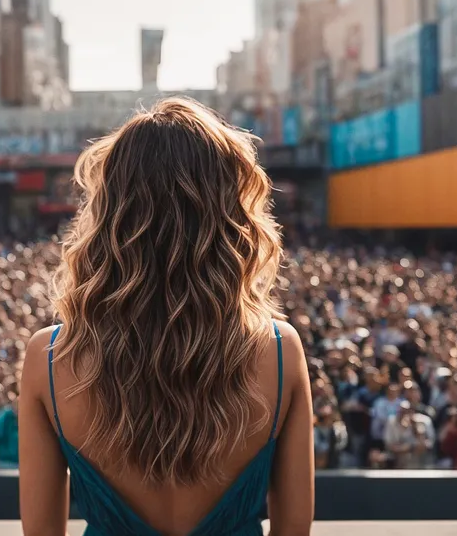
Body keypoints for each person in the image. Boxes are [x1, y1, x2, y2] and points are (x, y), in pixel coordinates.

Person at [19, 98, 315, 536]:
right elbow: (294, 530)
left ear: (110, 214)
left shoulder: (47, 358)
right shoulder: (280, 350)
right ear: (229, 214)